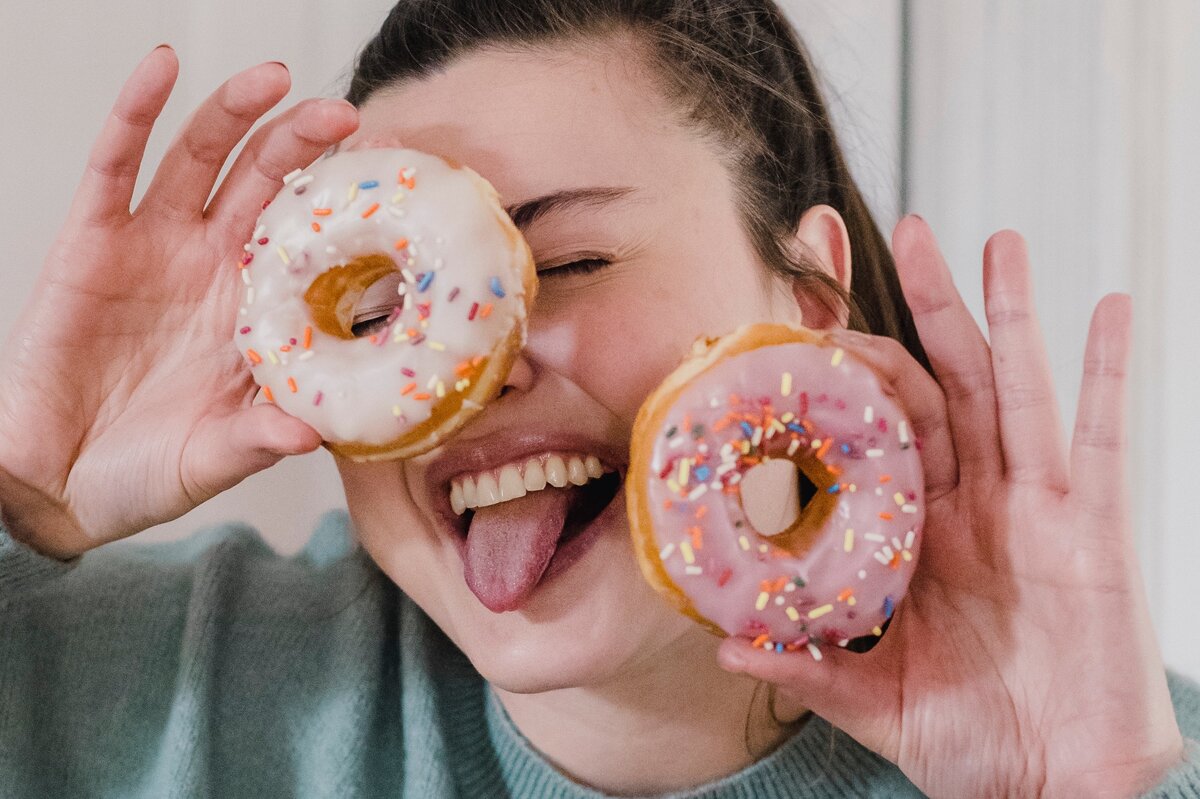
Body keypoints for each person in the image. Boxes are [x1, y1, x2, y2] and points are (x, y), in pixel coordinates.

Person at [1, 1, 1197, 796]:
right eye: (382, 321)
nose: (475, 370)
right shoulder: (175, 685)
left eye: (568, 264)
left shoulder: (1114, 735)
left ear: (812, 301)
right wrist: (19, 490)